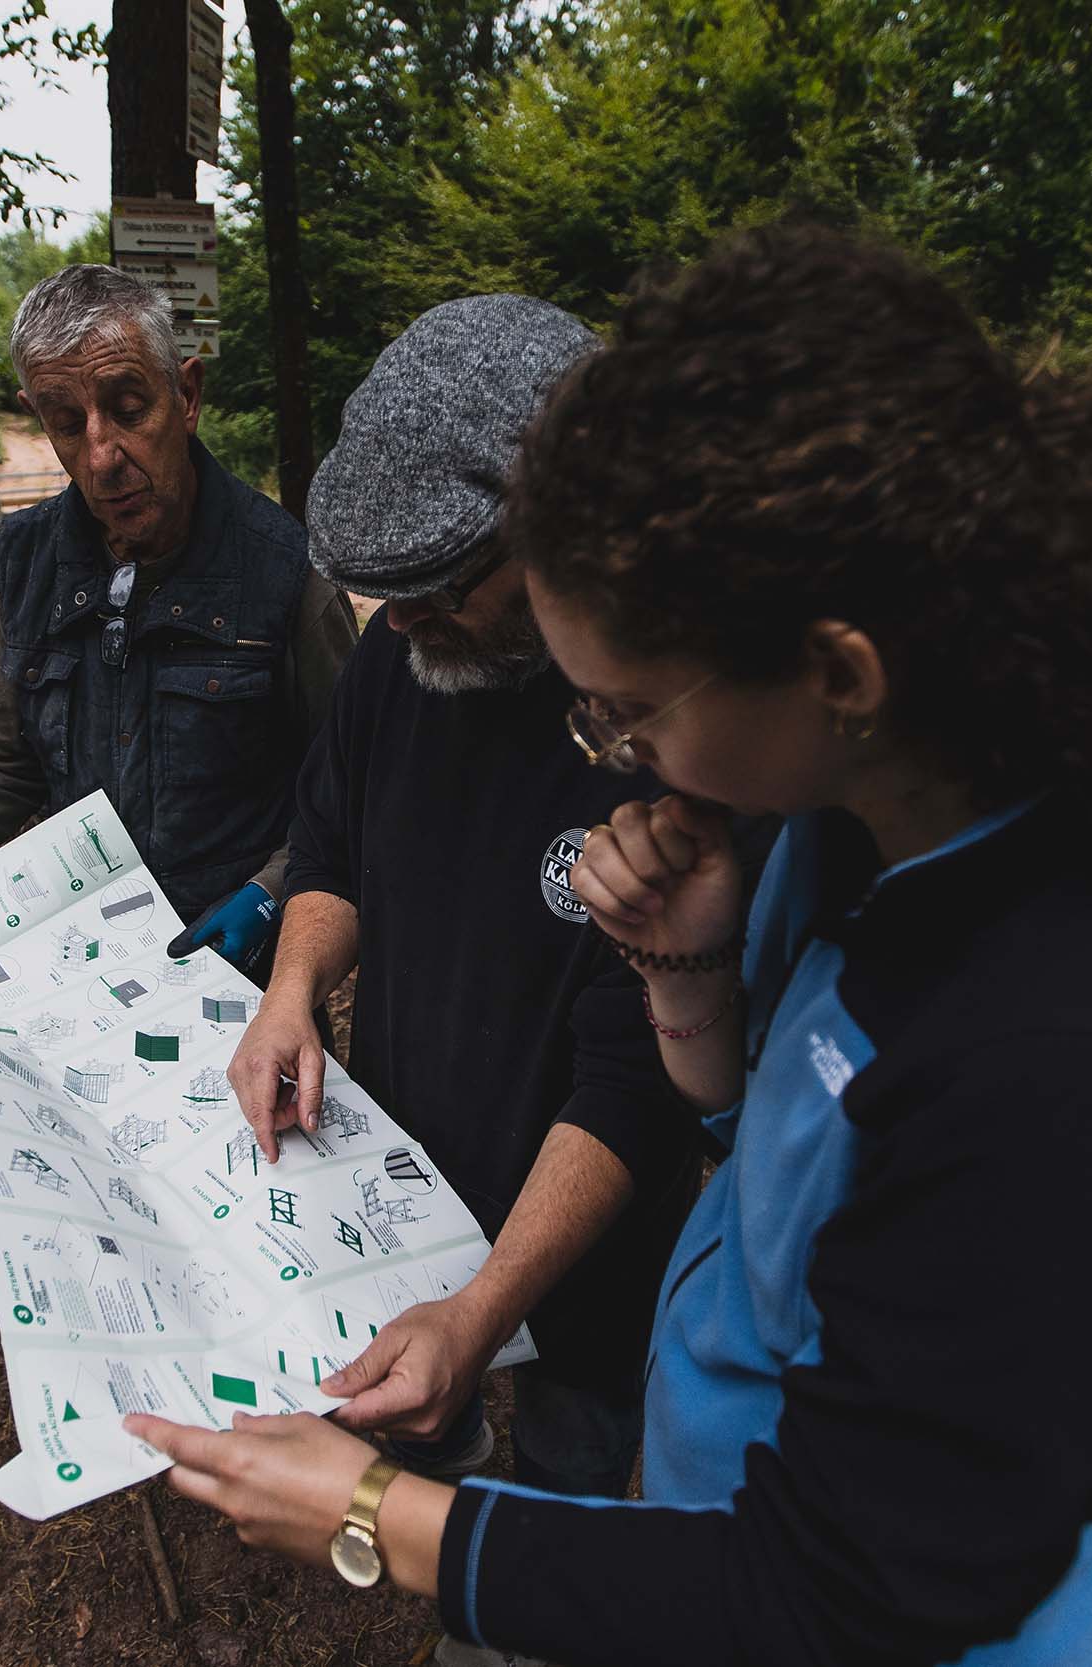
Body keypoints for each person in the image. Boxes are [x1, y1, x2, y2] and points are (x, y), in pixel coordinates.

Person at [124, 222, 1092, 1667]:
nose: (617, 753)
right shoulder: (867, 830)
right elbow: (770, 1134)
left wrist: (374, 1514)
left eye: (628, 708)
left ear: (841, 667)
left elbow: (830, 1597)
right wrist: (691, 969)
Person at [221, 298, 700, 1550]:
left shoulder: (657, 730)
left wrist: (488, 1305)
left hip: (574, 1242)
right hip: (398, 1174)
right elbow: (333, 849)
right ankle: (450, 1442)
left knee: (563, 1466)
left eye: (441, 588)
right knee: (417, 1402)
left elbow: (637, 1082)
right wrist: (293, 989)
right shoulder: (405, 656)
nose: (408, 617)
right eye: (387, 593)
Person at [0, 265, 358, 973]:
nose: (102, 456)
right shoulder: (23, 565)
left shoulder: (287, 572)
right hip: (78, 982)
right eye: (67, 423)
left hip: (246, 983)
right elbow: (2, 767)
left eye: (130, 408)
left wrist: (269, 894)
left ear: (188, 394)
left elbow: (350, 786)